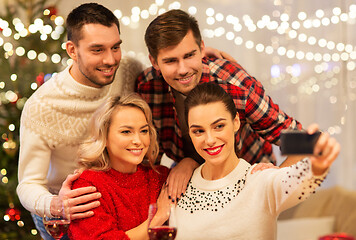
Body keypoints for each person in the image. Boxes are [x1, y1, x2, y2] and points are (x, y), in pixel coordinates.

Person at [135, 9, 303, 200]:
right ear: (154, 62)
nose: (183, 69)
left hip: (248, 180)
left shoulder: (237, 85)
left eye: (189, 55)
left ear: (202, 48)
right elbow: (145, 163)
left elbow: (307, 143)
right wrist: (186, 164)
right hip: (193, 182)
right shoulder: (147, 88)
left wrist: (273, 182)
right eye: (171, 61)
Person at [16, 3, 145, 239]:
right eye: (97, 50)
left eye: (115, 47)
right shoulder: (41, 106)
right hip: (68, 210)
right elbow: (27, 184)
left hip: (119, 201)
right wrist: (56, 204)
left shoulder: (128, 69)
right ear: (72, 50)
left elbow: (165, 73)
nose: (110, 60)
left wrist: (201, 59)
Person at [174, 82, 340, 240]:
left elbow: (300, 182)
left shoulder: (259, 179)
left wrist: (317, 166)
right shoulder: (181, 183)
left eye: (219, 126)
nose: (209, 140)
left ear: (236, 122)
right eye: (198, 131)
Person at [69, 93, 171, 240]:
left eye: (143, 131)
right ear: (104, 137)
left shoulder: (161, 177)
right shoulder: (87, 185)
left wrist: (188, 163)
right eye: (126, 132)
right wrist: (158, 217)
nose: (138, 140)